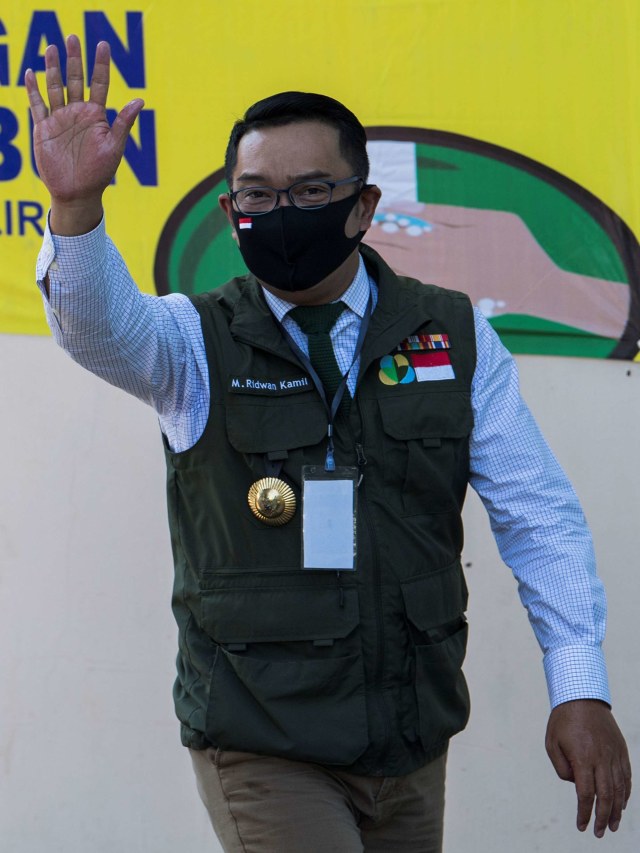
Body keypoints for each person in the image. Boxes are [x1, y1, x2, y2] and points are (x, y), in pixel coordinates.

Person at [26, 35, 631, 853]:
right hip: (262, 739)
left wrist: (580, 686)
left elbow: (539, 514)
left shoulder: (451, 335)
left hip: (409, 736)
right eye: (258, 194)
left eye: (310, 189)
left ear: (363, 205)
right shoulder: (192, 342)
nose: (283, 212)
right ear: (227, 211)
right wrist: (75, 212)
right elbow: (98, 329)